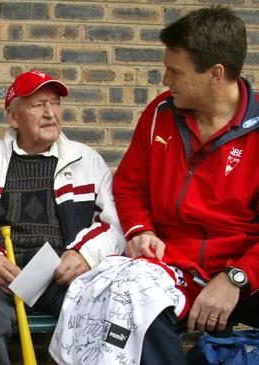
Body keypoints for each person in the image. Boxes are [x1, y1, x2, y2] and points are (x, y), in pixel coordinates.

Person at [50, 7, 259, 365]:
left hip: (242, 272)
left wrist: (236, 278)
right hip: (169, 268)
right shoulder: (160, 113)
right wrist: (139, 229)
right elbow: (130, 187)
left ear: (215, 74)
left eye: (175, 71)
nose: (165, 80)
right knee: (123, 305)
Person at [0, 70, 126, 364]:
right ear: (13, 117)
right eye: (38, 105)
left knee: (105, 309)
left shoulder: (87, 161)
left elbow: (113, 225)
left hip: (62, 281)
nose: (50, 114)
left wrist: (84, 254)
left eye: (55, 103)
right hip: (1, 283)